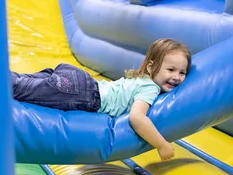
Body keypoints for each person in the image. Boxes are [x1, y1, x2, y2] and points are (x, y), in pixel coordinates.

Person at [10, 38, 191, 161]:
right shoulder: (150, 88)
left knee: (24, 82)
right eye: (171, 70)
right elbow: (137, 118)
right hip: (83, 94)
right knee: (20, 89)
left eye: (182, 72)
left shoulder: (142, 78)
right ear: (152, 67)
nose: (177, 77)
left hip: (80, 80)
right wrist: (162, 145)